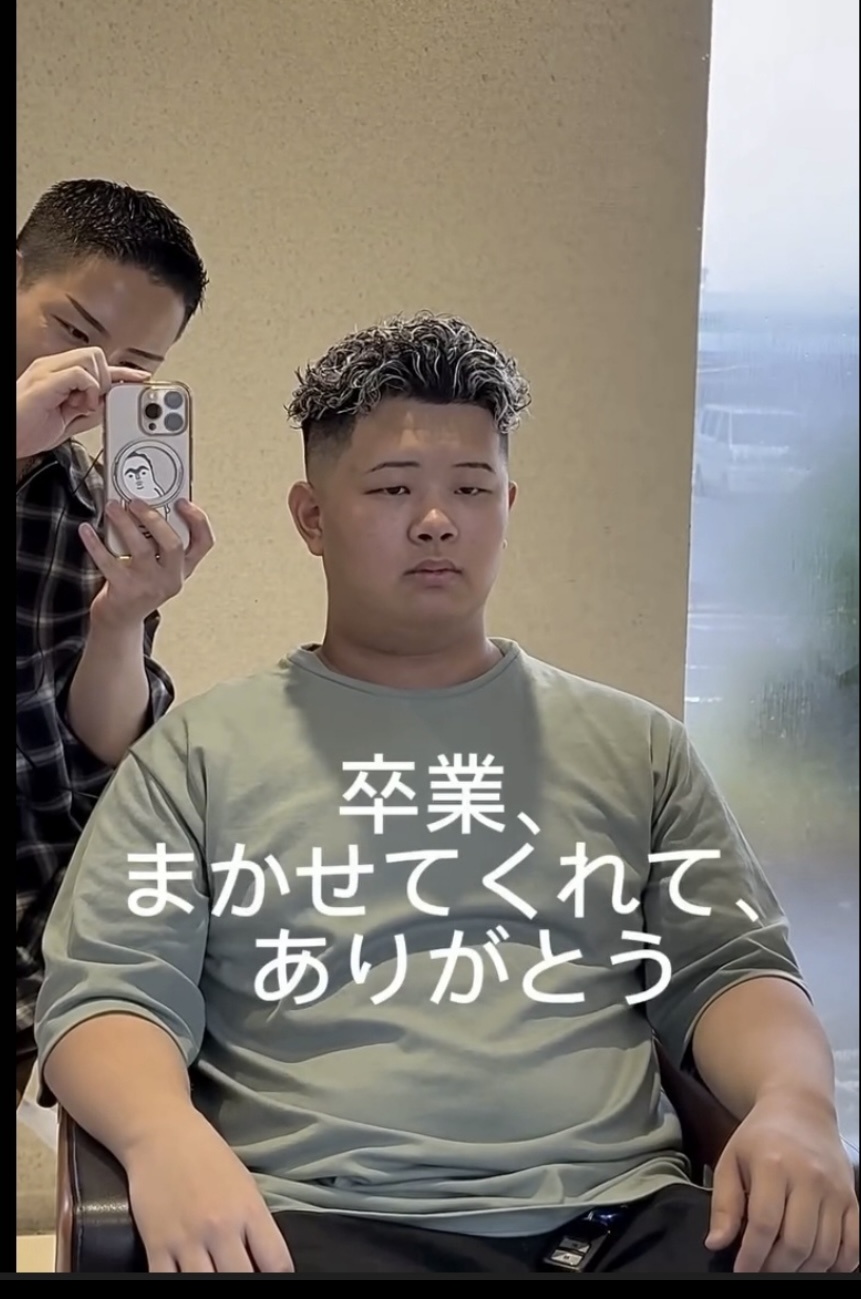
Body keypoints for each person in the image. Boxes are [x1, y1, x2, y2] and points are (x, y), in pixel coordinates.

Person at [34, 314, 857, 1275]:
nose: (436, 520)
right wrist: (163, 1139)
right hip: (312, 1224)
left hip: (622, 1220)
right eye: (392, 488)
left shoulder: (637, 747)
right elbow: (108, 992)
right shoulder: (197, 755)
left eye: (470, 487)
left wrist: (796, 1103)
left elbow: (728, 967)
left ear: (508, 502)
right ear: (311, 517)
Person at [17, 179, 215, 1104]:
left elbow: (96, 752)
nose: (93, 383)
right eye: (73, 332)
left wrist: (120, 620)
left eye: (135, 366)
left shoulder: (91, 504)